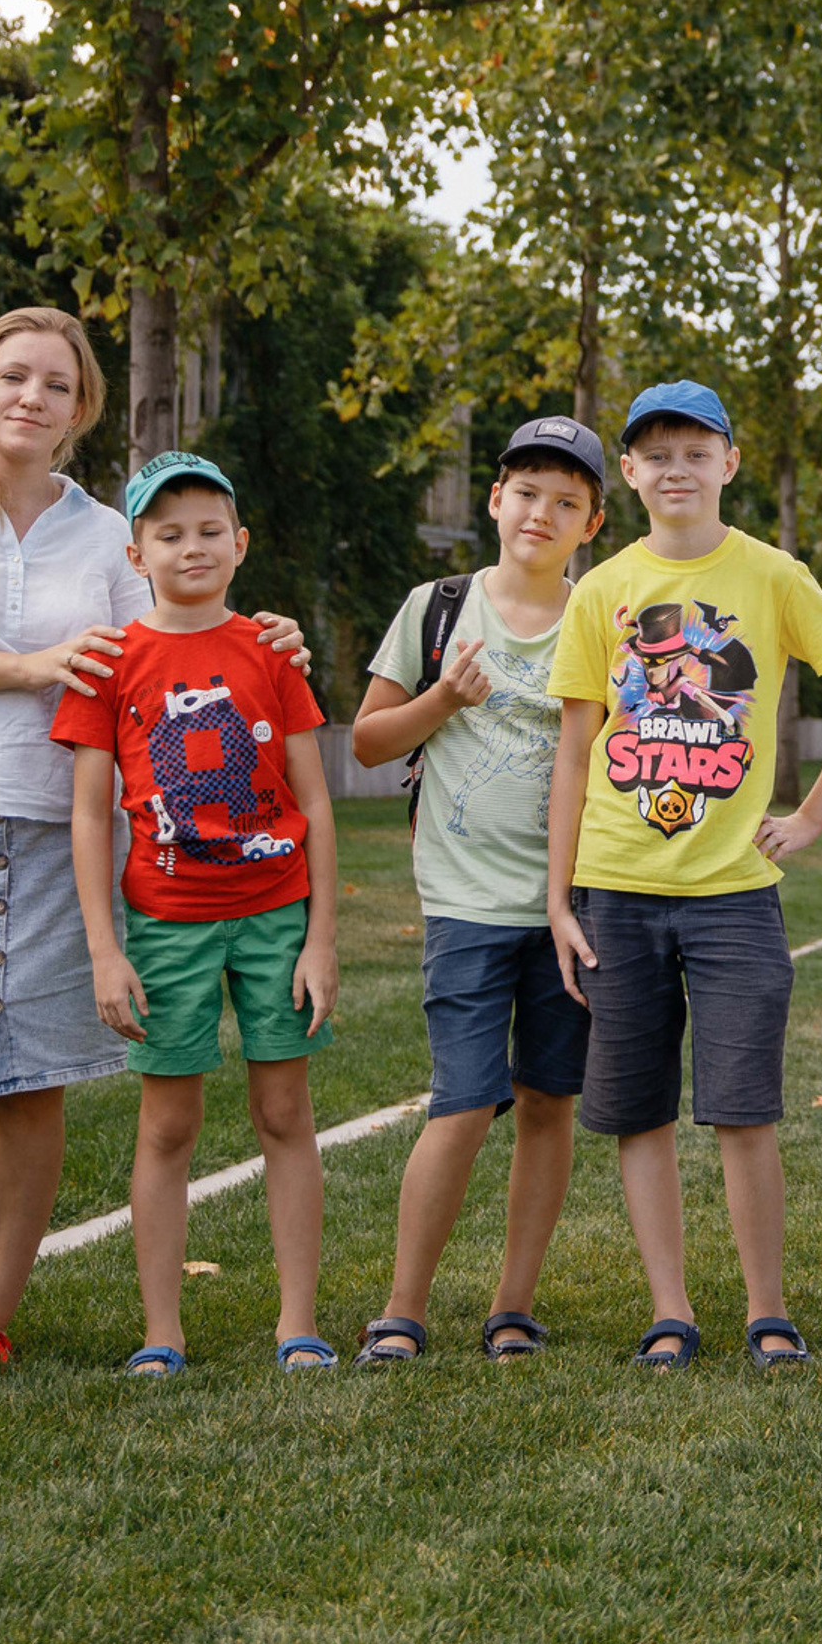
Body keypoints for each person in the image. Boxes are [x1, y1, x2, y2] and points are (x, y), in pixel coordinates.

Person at [0, 308, 304, 1413]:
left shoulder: (107, 530)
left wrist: (266, 641)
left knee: (26, 1089)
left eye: (58, 385)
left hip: (64, 837)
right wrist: (27, 667)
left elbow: (164, 642)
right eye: (14, 376)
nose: (33, 398)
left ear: (81, 407)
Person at [546, 380, 822, 1372]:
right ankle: (669, 1310)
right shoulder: (600, 587)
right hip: (615, 884)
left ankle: (767, 1310)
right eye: (655, 453)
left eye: (696, 450)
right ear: (630, 471)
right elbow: (575, 749)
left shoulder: (774, 576)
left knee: (743, 1107)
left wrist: (814, 813)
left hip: (735, 895)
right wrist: (558, 898)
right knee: (638, 1109)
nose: (676, 468)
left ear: (729, 463)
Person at [55, 451, 338, 1376]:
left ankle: (299, 1323)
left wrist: (322, 939)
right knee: (167, 1126)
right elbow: (91, 813)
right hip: (166, 922)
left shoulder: (270, 651)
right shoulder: (110, 662)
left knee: (284, 1111)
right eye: (167, 534)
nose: (191, 548)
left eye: (209, 530)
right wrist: (106, 950)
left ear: (240, 543)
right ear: (135, 553)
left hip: (274, 913)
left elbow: (317, 802)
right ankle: (161, 1333)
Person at [346, 416, 611, 1366]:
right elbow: (370, 742)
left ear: (591, 522)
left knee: (548, 1102)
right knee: (461, 1101)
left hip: (570, 912)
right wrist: (443, 701)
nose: (543, 512)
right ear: (495, 500)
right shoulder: (439, 605)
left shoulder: (604, 615)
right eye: (527, 493)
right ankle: (401, 1311)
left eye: (567, 502)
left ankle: (512, 1307)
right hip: (464, 907)